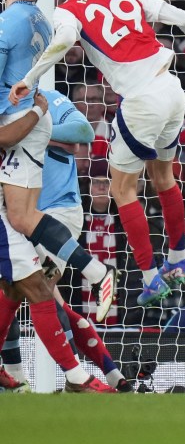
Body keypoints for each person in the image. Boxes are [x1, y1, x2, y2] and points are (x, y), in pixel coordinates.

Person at [10, 0, 185, 308]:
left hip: (141, 101)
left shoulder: (67, 10)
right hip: (172, 90)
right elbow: (180, 17)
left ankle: (150, 279)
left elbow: (61, 43)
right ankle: (178, 260)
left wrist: (29, 78)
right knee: (165, 178)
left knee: (123, 189)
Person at [0, 0, 116, 323]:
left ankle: (95, 272)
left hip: (18, 123)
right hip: (30, 123)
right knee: (22, 218)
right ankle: (95, 272)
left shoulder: (7, 22)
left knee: (21, 225)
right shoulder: (40, 19)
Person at [2, 94, 132, 392]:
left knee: (32, 287)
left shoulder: (47, 98)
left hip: (56, 212)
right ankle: (110, 375)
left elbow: (82, 132)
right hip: (15, 213)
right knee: (24, 288)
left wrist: (34, 127)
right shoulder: (6, 102)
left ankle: (38, 378)